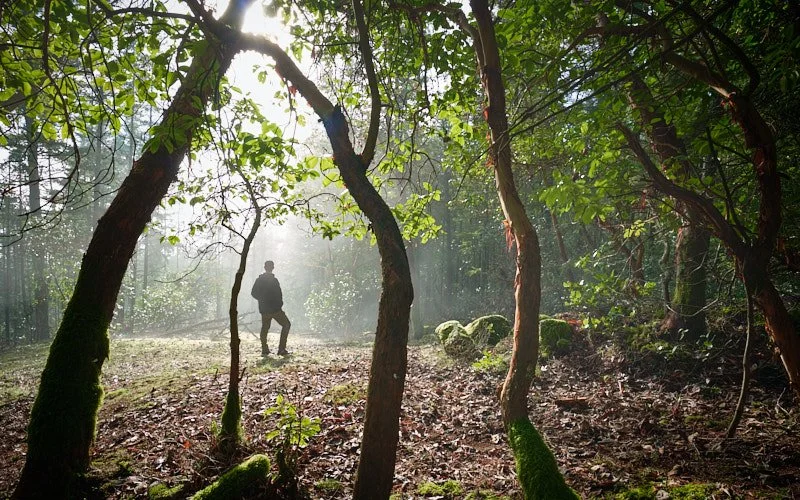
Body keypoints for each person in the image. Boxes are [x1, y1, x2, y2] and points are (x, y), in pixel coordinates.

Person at [251, 260, 291, 356]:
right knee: (286, 325)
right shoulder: (274, 280)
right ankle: (281, 349)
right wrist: (278, 304)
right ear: (272, 268)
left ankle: (265, 349)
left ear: (265, 267)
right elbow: (279, 294)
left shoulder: (259, 280)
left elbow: (253, 293)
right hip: (275, 310)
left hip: (265, 310)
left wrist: (262, 300)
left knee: (265, 328)